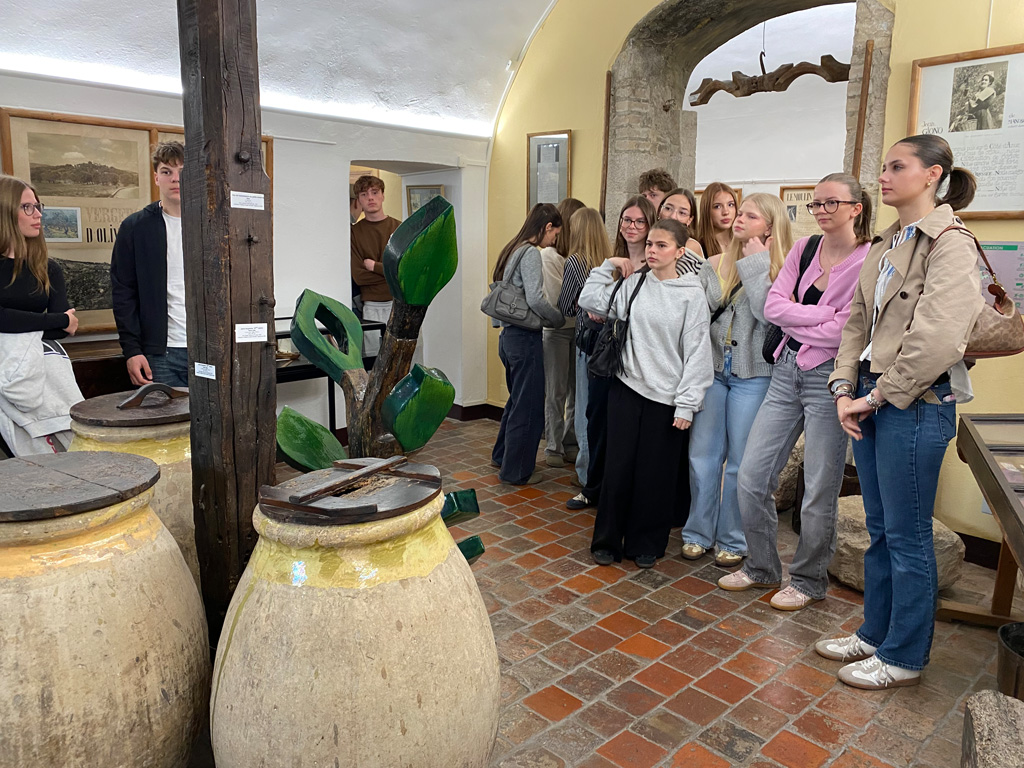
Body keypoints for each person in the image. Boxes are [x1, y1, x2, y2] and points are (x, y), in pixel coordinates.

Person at [815, 135, 983, 690]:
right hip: (869, 395)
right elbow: (856, 320)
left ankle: (905, 656)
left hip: (913, 402)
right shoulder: (888, 241)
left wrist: (874, 396)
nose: (883, 176)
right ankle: (875, 633)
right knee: (882, 528)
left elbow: (936, 339)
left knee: (908, 535)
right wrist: (843, 386)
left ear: (932, 174)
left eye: (897, 166)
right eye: (883, 166)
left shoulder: (951, 243)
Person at [722, 174, 873, 609]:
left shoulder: (869, 259)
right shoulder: (805, 248)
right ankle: (761, 567)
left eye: (831, 203)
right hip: (786, 370)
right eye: (816, 204)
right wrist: (820, 315)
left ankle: (808, 581)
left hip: (832, 379)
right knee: (751, 477)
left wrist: (800, 316)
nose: (821, 210)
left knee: (819, 490)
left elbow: (847, 330)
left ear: (856, 208)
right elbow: (773, 307)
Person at [579, 218, 712, 567]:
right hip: (626, 386)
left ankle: (646, 544)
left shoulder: (691, 295)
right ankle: (607, 540)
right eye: (650, 244)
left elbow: (698, 353)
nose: (652, 251)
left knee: (655, 474)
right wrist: (607, 265)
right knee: (617, 467)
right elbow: (590, 300)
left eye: (661, 245)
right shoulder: (635, 283)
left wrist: (687, 404)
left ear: (680, 252)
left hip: (667, 398)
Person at [682, 193, 793, 567]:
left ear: (770, 225)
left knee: (740, 463)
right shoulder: (715, 263)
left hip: (754, 376)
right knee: (702, 455)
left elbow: (767, 315)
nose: (738, 218)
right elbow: (699, 314)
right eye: (739, 212)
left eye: (750, 215)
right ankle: (698, 532)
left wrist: (757, 263)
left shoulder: (783, 269)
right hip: (713, 371)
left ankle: (733, 537)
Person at [566, 196, 656, 511]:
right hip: (605, 355)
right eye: (626, 220)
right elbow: (587, 301)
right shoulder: (613, 264)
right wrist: (608, 268)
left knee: (625, 430)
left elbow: (635, 310)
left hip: (637, 359)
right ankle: (592, 487)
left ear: (650, 226)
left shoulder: (655, 267)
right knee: (596, 421)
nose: (632, 226)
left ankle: (619, 493)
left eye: (640, 221)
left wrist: (609, 306)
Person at [0, 175, 82, 454]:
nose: (38, 214)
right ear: (5, 212)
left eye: (38, 206)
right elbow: (62, 322)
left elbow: (64, 331)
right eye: (27, 207)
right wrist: (60, 320)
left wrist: (58, 322)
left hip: (40, 374)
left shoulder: (47, 268)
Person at [490, 203, 565, 485]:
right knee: (529, 407)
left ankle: (502, 455)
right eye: (555, 234)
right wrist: (557, 319)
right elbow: (535, 298)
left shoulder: (512, 247)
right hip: (524, 338)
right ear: (547, 227)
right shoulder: (531, 253)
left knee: (516, 401)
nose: (554, 240)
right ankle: (517, 471)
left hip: (508, 337)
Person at [110, 141, 188, 387]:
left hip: (210, 349)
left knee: (212, 414)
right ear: (156, 178)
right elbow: (123, 292)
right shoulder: (135, 227)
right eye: (167, 171)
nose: (175, 179)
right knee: (163, 413)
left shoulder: (215, 227)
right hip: (159, 354)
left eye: (183, 171)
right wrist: (131, 350)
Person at [557, 207, 612, 489]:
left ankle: (585, 474)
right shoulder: (609, 260)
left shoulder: (575, 261)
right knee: (601, 411)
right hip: (609, 344)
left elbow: (565, 306)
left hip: (586, 340)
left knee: (583, 409)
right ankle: (600, 472)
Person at [540, 197, 585, 469]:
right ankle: (553, 445)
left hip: (578, 330)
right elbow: (561, 299)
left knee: (576, 392)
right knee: (556, 391)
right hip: (556, 330)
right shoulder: (550, 256)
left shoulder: (576, 257)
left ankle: (570, 441)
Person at [350, 175, 401, 357]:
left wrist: (374, 267)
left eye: (375, 192)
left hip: (400, 303)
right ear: (359, 201)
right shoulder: (354, 232)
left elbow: (404, 272)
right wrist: (389, 272)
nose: (370, 198)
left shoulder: (400, 228)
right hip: (371, 307)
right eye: (364, 194)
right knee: (373, 360)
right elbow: (359, 276)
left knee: (403, 359)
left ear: (383, 195)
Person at [658, 187, 705, 260]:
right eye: (668, 208)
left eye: (682, 213)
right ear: (659, 211)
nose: (673, 216)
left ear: (690, 220)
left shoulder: (690, 245)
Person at [695, 182, 739, 259]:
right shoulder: (699, 247)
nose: (726, 212)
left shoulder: (743, 243)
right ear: (707, 210)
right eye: (717, 206)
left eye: (730, 205)